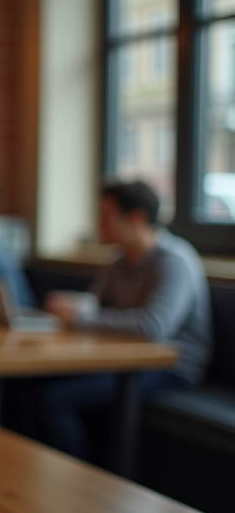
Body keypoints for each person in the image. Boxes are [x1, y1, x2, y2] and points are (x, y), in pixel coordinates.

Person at [40, 180, 212, 459]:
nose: (98, 223)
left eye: (106, 216)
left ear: (136, 219)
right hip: (121, 359)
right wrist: (69, 303)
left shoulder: (175, 260)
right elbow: (95, 303)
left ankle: (72, 484)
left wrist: (81, 317)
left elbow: (153, 326)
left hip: (172, 368)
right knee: (36, 383)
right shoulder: (118, 258)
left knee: (57, 398)